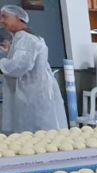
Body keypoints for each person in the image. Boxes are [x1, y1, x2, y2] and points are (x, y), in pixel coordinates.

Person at [0, 4, 66, 133]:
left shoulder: (26, 39)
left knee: (37, 133)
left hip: (33, 94)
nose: (1, 21)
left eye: (5, 17)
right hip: (32, 91)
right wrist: (8, 53)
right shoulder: (22, 38)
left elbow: (18, 66)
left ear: (19, 18)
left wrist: (2, 62)